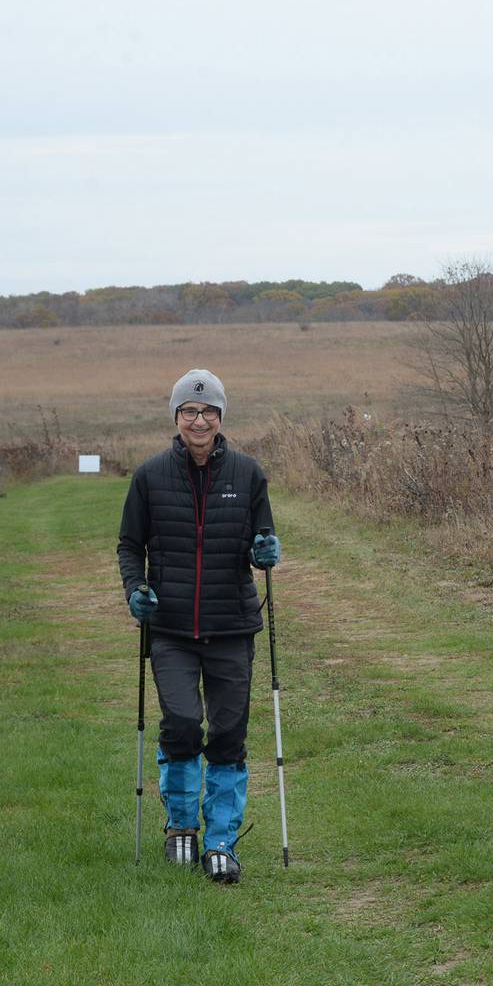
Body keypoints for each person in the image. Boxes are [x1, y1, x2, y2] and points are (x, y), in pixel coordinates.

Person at [116, 369, 281, 883]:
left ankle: (221, 843)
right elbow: (128, 546)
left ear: (221, 417)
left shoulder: (249, 475)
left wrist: (266, 551)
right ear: (176, 417)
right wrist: (135, 591)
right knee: (183, 723)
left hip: (231, 625)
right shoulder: (149, 477)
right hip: (169, 629)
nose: (199, 420)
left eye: (208, 411)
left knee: (229, 732)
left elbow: (264, 538)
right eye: (189, 411)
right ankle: (181, 828)